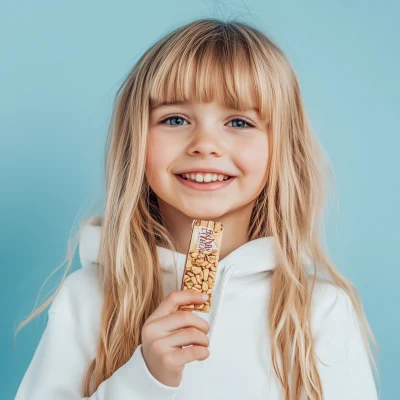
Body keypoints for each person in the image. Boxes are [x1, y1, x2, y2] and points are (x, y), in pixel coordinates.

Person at [14, 18, 379, 400]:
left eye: (239, 121)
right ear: (136, 141)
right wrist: (144, 379)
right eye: (175, 119)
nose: (205, 144)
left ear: (281, 150)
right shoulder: (89, 298)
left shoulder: (318, 311)